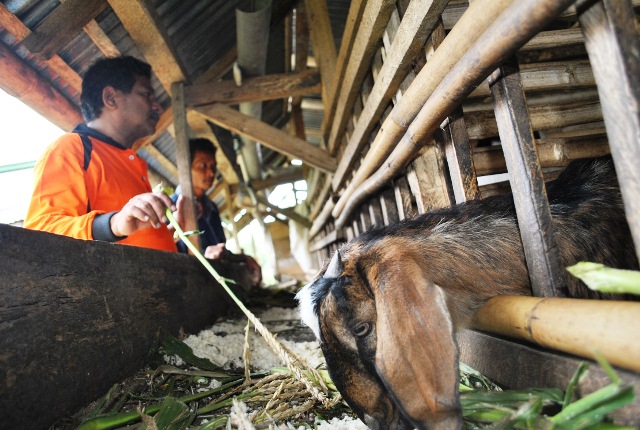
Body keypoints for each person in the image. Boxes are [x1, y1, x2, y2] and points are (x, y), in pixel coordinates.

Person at [24, 56, 178, 252]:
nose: (157, 106)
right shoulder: (71, 148)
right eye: (147, 94)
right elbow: (40, 234)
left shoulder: (133, 162)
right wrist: (113, 224)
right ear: (111, 98)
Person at [172, 138, 262, 286]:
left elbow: (220, 250)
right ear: (185, 168)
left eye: (213, 167)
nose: (210, 172)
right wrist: (203, 256)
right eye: (202, 165)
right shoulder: (172, 207)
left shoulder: (211, 208)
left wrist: (245, 258)